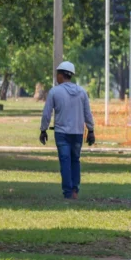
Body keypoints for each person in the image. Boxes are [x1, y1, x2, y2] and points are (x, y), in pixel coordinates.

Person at [39, 61, 95, 199]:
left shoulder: (55, 92)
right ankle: (75, 190)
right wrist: (91, 130)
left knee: (65, 161)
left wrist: (43, 130)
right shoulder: (82, 92)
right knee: (75, 160)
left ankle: (68, 192)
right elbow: (88, 113)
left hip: (62, 133)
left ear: (61, 75)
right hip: (77, 133)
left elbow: (47, 113)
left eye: (57, 74)